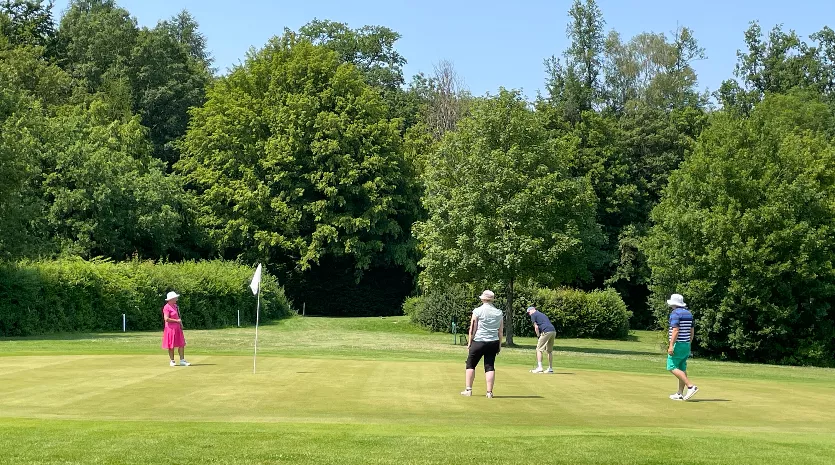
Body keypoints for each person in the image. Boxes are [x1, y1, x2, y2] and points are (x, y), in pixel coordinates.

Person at [461, 290, 504, 398]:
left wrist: (470, 342)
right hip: (493, 342)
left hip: (479, 341)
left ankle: (468, 389)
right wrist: (499, 345)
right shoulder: (498, 312)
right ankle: (489, 392)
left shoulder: (477, 311)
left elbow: (472, 328)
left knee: (470, 364)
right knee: (489, 366)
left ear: (483, 299)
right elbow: (500, 331)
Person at [666, 293, 698, 400]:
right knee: (681, 367)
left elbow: (675, 330)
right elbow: (692, 330)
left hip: (678, 344)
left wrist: (671, 345)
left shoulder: (675, 313)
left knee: (671, 366)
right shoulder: (689, 314)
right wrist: (689, 341)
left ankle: (690, 386)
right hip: (686, 343)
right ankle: (680, 393)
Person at [162, 291, 190, 367]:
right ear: (171, 299)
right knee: (171, 345)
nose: (176, 299)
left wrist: (180, 324)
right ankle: (172, 360)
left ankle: (182, 360)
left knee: (181, 344)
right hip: (170, 329)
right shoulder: (166, 307)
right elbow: (166, 319)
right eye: (175, 298)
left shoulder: (175, 306)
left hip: (177, 328)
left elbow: (178, 317)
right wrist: (176, 321)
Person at [527, 306, 556, 373]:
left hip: (546, 331)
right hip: (553, 331)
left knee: (539, 349)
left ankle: (540, 367)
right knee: (549, 350)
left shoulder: (533, 315)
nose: (529, 314)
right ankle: (550, 368)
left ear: (531, 310)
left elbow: (536, 327)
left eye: (529, 312)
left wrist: (538, 336)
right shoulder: (542, 314)